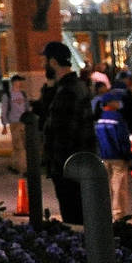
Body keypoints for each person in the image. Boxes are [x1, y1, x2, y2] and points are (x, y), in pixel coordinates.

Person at [37, 40, 95, 224]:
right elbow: (46, 112)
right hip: (74, 164)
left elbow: (63, 131)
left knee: (74, 217)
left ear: (53, 62)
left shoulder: (68, 91)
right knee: (77, 214)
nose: (42, 64)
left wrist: (58, 164)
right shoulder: (69, 86)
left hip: (69, 166)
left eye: (44, 60)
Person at [94, 90, 132, 217]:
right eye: (117, 101)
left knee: (103, 185)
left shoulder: (100, 119)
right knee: (118, 186)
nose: (119, 103)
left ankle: (104, 212)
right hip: (118, 156)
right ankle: (118, 214)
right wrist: (128, 155)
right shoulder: (117, 118)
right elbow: (123, 138)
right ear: (111, 103)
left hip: (103, 155)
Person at [0, 74, 33, 174]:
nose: (21, 83)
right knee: (19, 146)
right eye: (19, 81)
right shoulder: (8, 95)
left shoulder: (23, 94)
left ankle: (14, 164)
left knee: (19, 145)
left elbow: (27, 107)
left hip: (23, 122)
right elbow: (4, 110)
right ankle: (23, 168)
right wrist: (4, 125)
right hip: (14, 122)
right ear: (14, 82)